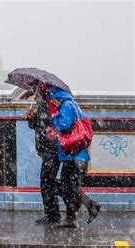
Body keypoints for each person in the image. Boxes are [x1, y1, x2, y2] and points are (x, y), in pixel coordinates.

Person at [48, 87, 101, 228]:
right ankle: (72, 217)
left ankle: (90, 206)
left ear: (58, 97)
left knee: (68, 185)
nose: (53, 102)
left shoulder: (66, 106)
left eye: (53, 100)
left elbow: (64, 125)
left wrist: (53, 119)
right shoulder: (72, 105)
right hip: (75, 155)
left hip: (73, 155)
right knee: (69, 186)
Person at [26, 82, 61, 225]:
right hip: (46, 151)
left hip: (51, 151)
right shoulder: (42, 107)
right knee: (47, 182)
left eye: (36, 90)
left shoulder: (51, 106)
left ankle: (53, 215)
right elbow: (37, 126)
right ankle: (52, 214)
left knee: (47, 182)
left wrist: (46, 125)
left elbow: (53, 126)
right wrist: (31, 118)